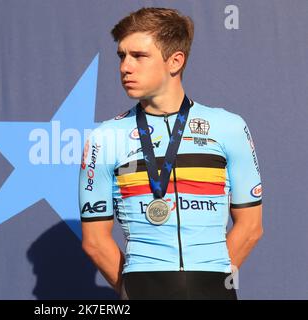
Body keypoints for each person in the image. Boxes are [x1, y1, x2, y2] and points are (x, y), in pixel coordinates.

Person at [78, 7, 263, 300]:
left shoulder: (228, 127)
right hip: (142, 286)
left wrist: (212, 274)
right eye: (121, 56)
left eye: (138, 56)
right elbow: (94, 241)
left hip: (213, 287)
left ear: (175, 61)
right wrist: (131, 288)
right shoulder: (104, 138)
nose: (125, 67)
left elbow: (251, 226)